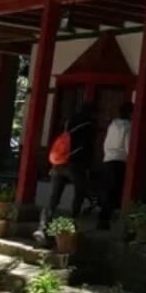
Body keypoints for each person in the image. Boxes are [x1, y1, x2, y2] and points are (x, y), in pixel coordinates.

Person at [39, 100, 96, 237]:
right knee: (79, 193)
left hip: (59, 162)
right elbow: (88, 147)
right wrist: (89, 166)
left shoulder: (69, 122)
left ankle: (44, 225)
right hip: (76, 164)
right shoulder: (89, 125)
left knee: (54, 196)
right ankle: (72, 223)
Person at [98, 102, 132, 229]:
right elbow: (129, 146)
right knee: (114, 191)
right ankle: (107, 218)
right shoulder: (128, 126)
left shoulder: (112, 125)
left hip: (108, 158)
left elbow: (106, 143)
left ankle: (104, 217)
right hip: (120, 160)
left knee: (108, 190)